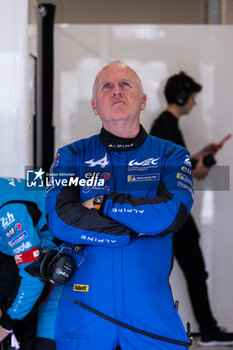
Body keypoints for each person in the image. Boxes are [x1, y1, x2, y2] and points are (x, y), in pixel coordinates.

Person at [46, 61, 194, 350]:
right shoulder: (71, 155)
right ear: (94, 105)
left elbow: (171, 214)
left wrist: (104, 204)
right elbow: (60, 220)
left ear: (142, 100)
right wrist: (134, 231)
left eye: (125, 84)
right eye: (107, 86)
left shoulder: (172, 155)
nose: (116, 91)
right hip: (84, 314)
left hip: (151, 316)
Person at [150, 71, 233, 347]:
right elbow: (180, 172)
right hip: (172, 213)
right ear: (183, 97)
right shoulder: (167, 126)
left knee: (193, 270)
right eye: (193, 98)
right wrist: (200, 167)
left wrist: (198, 155)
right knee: (181, 271)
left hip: (172, 213)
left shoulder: (167, 125)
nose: (195, 104)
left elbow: (176, 161)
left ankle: (207, 329)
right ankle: (203, 330)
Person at [0, 177, 60, 350]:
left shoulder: (9, 213)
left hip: (60, 255)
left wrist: (6, 323)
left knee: (45, 343)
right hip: (26, 252)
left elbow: (33, 272)